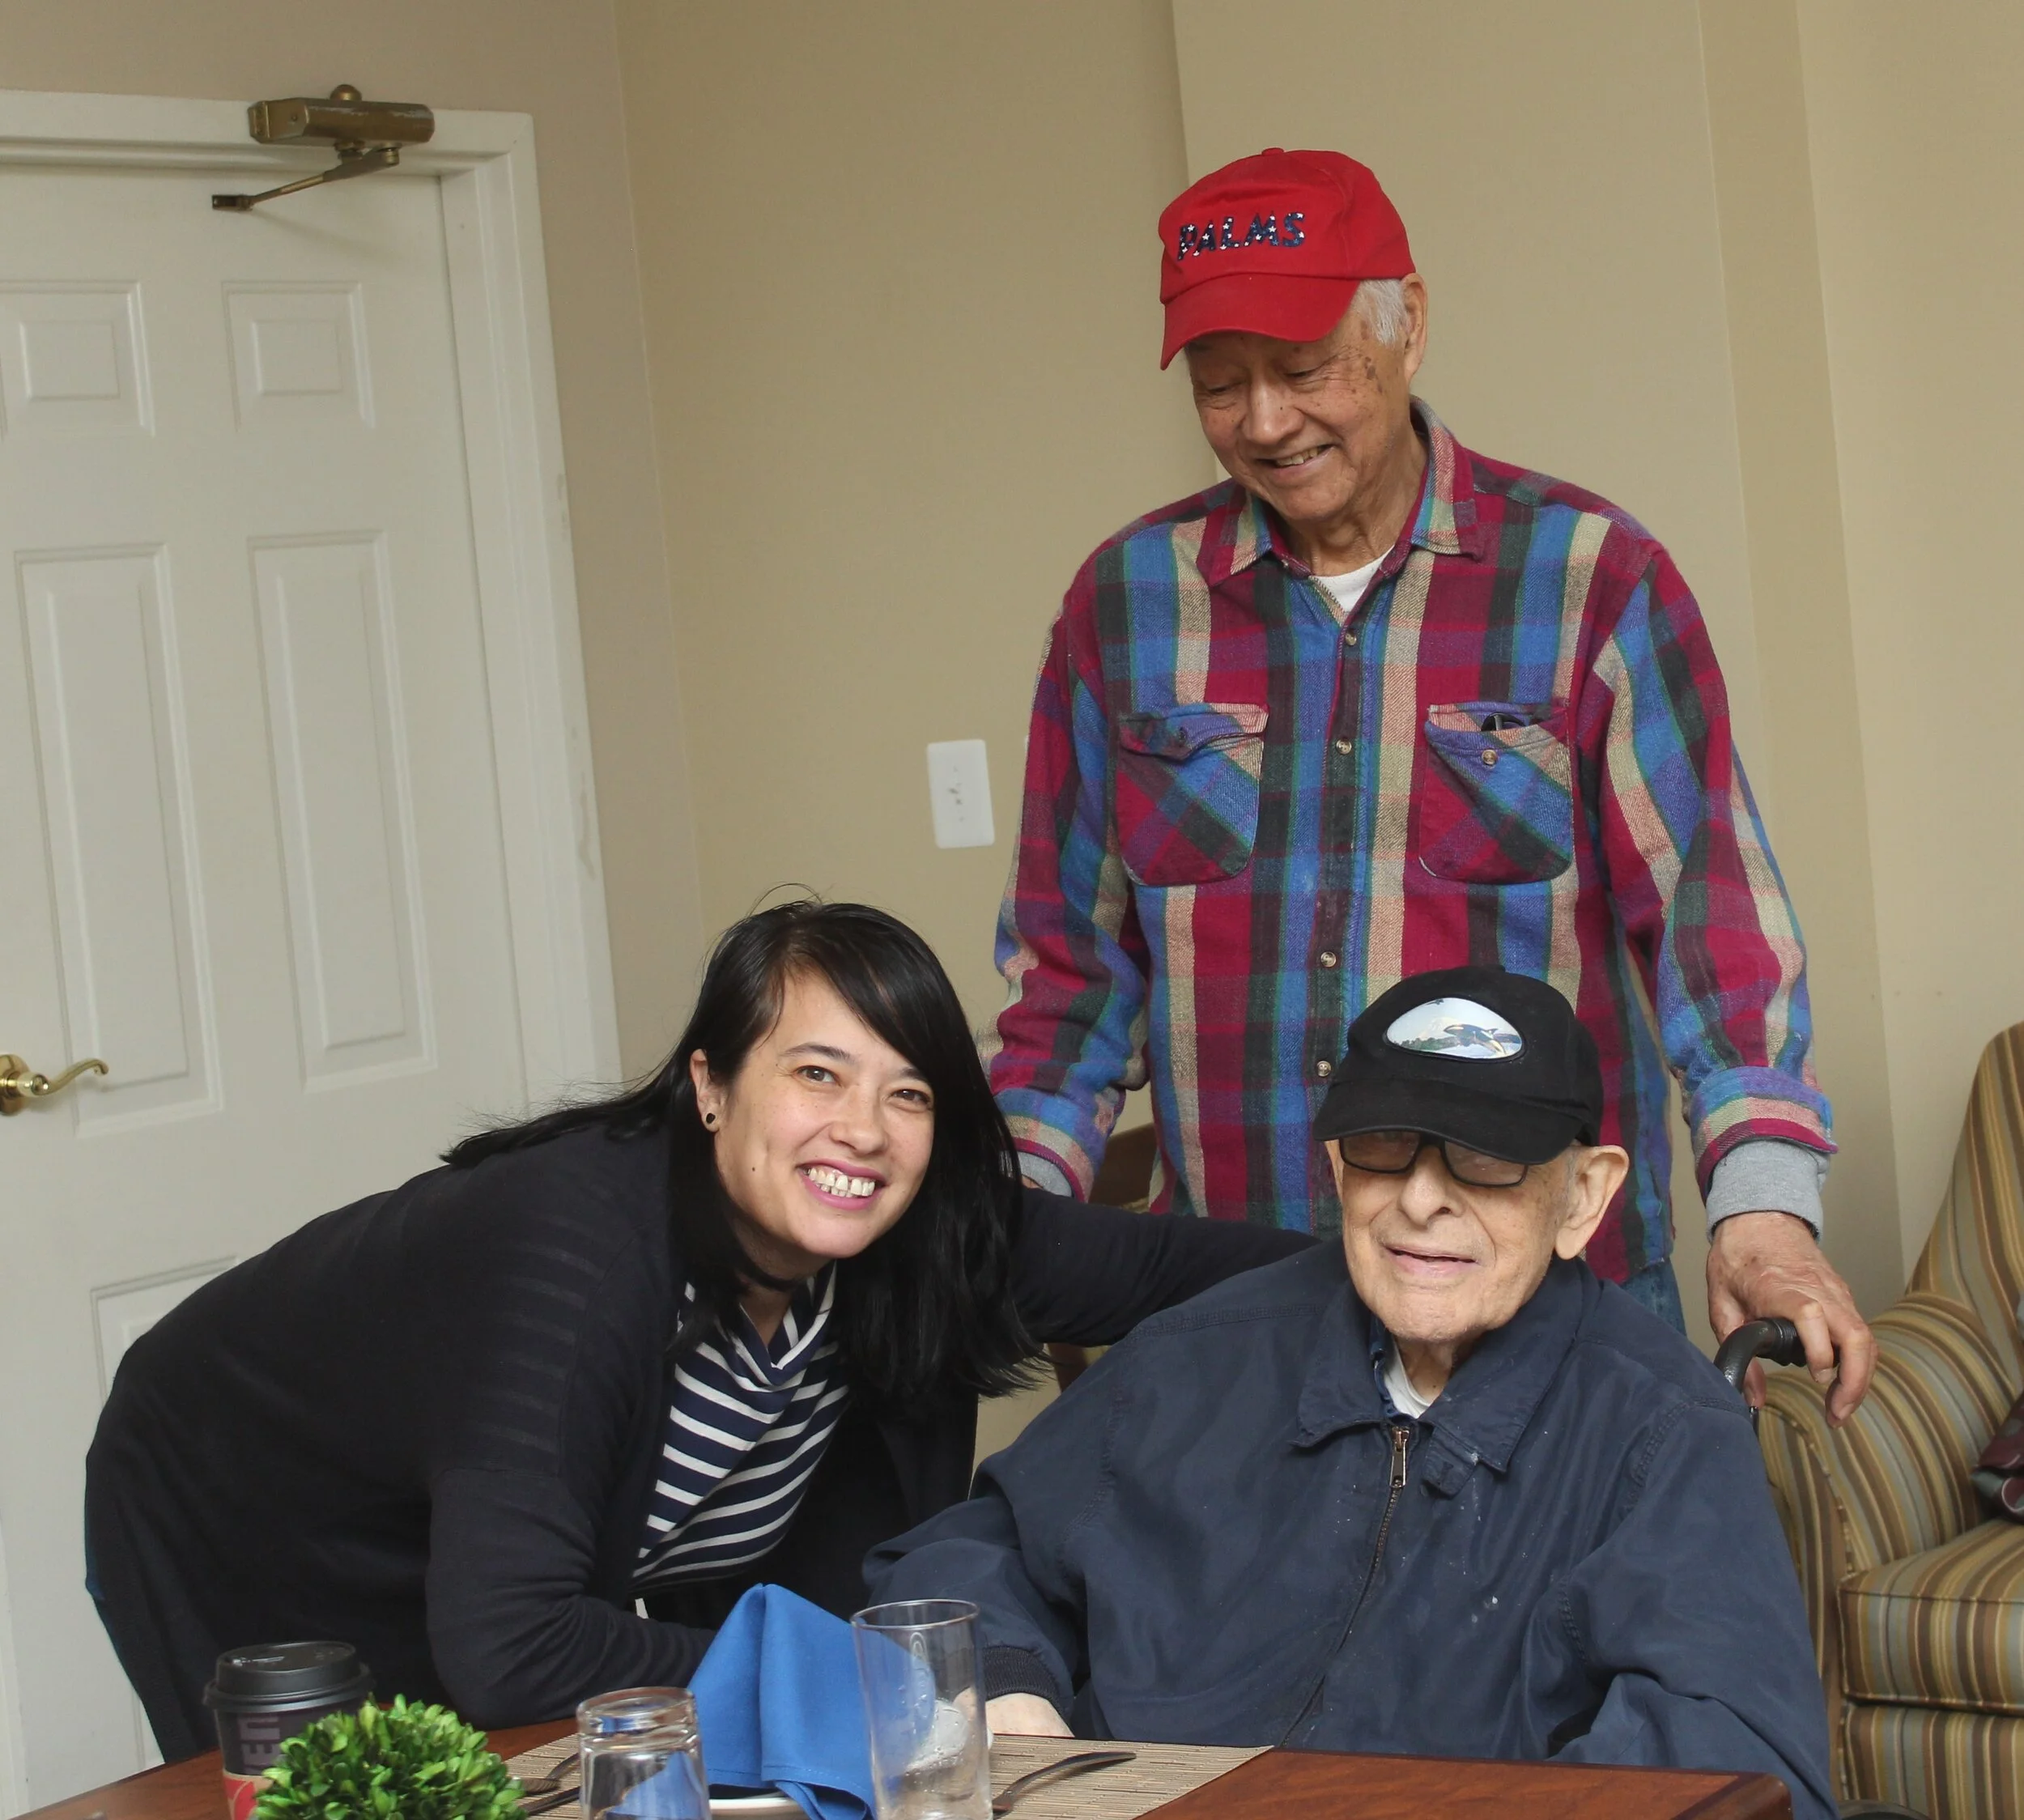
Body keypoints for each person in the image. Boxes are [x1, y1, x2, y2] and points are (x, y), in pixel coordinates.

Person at [986, 146, 1873, 1418]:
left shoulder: (1592, 582)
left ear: (1409, 322)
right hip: (1239, 1313)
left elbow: (1714, 934)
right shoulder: (1122, 609)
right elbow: (1070, 978)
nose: (1267, 422)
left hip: (1547, 1312)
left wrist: (1766, 1208)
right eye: (1220, 384)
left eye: (1301, 369)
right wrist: (1002, 1223)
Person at [85, 901, 1309, 1759]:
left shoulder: (923, 1221)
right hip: (248, 1508)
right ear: (711, 1086)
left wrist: (1440, 1276)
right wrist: (866, 1679)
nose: (864, 1130)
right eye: (816, 1076)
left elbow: (1173, 1264)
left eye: (909, 1093)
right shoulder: (571, 1255)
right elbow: (511, 1647)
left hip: (497, 1567)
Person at [874, 967, 1835, 1820]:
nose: (1422, 1199)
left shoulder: (1659, 1427)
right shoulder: (1202, 1351)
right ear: (1336, 1167)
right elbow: (960, 1559)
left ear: (1582, 1197)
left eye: (1488, 1158)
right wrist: (1010, 1701)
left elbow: (1730, 1758)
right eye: (1384, 1145)